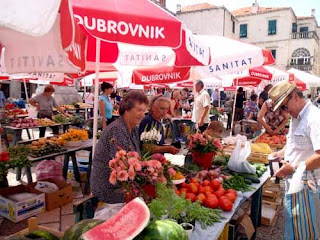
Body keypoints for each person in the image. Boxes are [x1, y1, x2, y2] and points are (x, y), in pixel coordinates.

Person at [270, 82, 320, 239]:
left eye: (284, 107)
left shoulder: (314, 118)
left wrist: (292, 168)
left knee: (308, 231)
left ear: (296, 97)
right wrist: (281, 153)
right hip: (296, 184)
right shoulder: (297, 117)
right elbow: (294, 143)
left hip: (310, 187)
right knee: (296, 227)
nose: (285, 112)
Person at [91, 90, 149, 203]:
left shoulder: (134, 129)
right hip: (109, 189)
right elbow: (124, 166)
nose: (142, 115)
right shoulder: (117, 129)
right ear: (126, 109)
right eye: (139, 110)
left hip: (124, 185)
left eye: (144, 111)